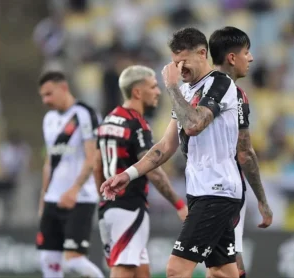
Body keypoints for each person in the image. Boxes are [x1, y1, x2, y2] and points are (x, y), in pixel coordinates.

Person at [101, 27, 273, 278]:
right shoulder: (185, 91)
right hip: (201, 190)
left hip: (217, 191)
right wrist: (128, 174)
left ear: (202, 53)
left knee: (176, 269)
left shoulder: (221, 84)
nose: (178, 69)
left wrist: (170, 87)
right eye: (173, 62)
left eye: (182, 61)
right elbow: (165, 146)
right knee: (223, 272)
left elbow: (194, 125)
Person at [94, 65, 188, 278]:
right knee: (123, 270)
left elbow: (96, 164)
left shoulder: (108, 120)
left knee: (141, 272)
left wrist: (102, 200)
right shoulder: (137, 124)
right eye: (153, 86)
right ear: (137, 92)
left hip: (109, 208)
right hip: (129, 207)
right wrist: (178, 203)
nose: (157, 92)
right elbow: (153, 171)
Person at [209, 26, 273, 278]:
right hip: (224, 189)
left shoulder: (191, 90)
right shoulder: (234, 94)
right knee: (228, 268)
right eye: (247, 52)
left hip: (199, 188)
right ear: (232, 58)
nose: (252, 58)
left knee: (221, 267)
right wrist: (263, 200)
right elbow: (244, 152)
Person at [37, 71, 104, 278]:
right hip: (53, 198)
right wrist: (43, 197)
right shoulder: (48, 119)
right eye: (42, 96)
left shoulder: (85, 114)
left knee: (74, 261)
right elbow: (50, 161)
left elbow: (92, 157)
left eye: (49, 94)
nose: (45, 100)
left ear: (63, 88)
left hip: (79, 198)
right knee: (48, 260)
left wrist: (74, 190)